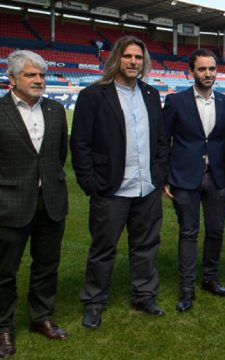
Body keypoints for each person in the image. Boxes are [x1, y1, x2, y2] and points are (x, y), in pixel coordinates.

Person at [0, 50, 68, 357]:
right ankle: (2, 329)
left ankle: (41, 318)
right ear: (12, 79)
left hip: (50, 203)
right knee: (4, 271)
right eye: (30, 75)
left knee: (46, 266)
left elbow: (59, 155)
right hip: (7, 205)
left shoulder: (55, 110)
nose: (38, 80)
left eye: (41, 75)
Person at [70, 36, 169, 328]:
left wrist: (159, 173)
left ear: (144, 62)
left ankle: (143, 295)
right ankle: (94, 301)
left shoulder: (151, 94)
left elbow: (161, 141)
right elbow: (80, 144)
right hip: (111, 189)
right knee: (103, 249)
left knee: (146, 245)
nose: (134, 62)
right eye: (128, 56)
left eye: (139, 57)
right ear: (117, 58)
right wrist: (91, 184)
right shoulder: (93, 95)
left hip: (146, 188)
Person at [163, 49, 225, 311]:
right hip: (184, 178)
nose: (208, 73)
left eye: (212, 69)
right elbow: (163, 141)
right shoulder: (175, 101)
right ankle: (186, 287)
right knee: (188, 232)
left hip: (217, 178)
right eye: (202, 69)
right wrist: (164, 177)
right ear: (191, 72)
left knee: (216, 231)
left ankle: (210, 279)